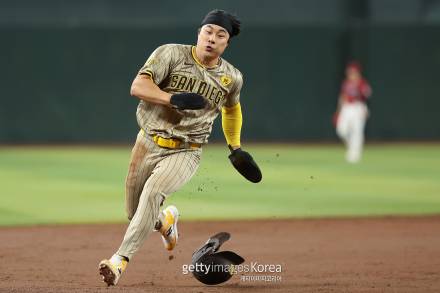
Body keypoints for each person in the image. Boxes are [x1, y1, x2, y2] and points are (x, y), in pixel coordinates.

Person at [98, 9, 253, 286]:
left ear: (226, 43)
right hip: (147, 141)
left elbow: (232, 110)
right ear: (199, 33)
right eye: (208, 31)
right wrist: (171, 98)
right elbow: (138, 86)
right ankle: (166, 221)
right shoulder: (170, 54)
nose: (212, 38)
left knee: (153, 193)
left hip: (186, 150)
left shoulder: (232, 77)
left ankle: (119, 261)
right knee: (136, 214)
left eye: (220, 35)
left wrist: (236, 147)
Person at [334, 61, 372, 163]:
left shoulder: (362, 83)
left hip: (358, 107)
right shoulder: (346, 83)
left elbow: (367, 97)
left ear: (357, 72)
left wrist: (365, 109)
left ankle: (355, 154)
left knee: (357, 132)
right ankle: (352, 148)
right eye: (349, 72)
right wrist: (338, 111)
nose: (351, 74)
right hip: (347, 108)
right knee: (341, 130)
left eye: (353, 72)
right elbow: (342, 97)